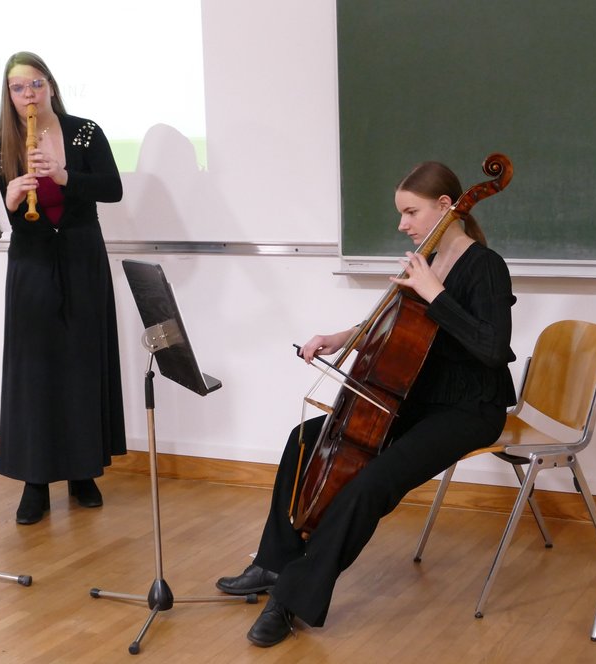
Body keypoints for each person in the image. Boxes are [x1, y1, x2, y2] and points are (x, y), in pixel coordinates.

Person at [215, 161, 518, 647]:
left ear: (446, 207)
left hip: (469, 409)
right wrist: (342, 337)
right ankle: (273, 563)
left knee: (371, 483)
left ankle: (291, 600)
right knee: (306, 440)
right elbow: (397, 331)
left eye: (410, 212)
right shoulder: (427, 257)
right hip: (414, 398)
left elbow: (493, 349)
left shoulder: (484, 266)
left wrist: (434, 292)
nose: (403, 224)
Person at [0, 51, 126, 524]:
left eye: (36, 84)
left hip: (81, 253)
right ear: (8, 95)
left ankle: (83, 472)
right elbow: (2, 217)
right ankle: (35, 483)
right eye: (18, 88)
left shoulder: (84, 131)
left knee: (81, 362)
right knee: (35, 370)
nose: (28, 94)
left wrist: (63, 175)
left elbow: (112, 189)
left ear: (50, 86)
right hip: (31, 261)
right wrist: (10, 200)